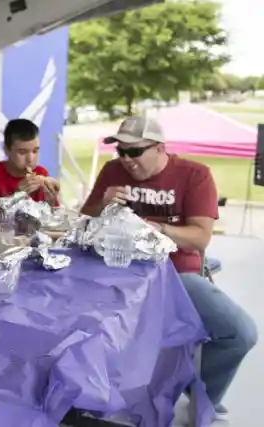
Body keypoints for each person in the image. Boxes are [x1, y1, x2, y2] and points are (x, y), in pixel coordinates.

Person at [81, 115, 258, 421]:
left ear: (160, 148)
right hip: (117, 271)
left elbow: (200, 238)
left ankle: (201, 393)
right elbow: (84, 219)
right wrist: (102, 204)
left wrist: (156, 228)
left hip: (175, 274)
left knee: (240, 332)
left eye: (135, 151)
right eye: (121, 151)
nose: (126, 159)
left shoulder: (194, 175)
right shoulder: (112, 171)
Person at [0, 119, 60, 222]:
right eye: (22, 152)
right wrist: (16, 198)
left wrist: (51, 201)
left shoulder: (42, 173)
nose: (30, 159)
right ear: (7, 150)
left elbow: (52, 218)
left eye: (35, 151)